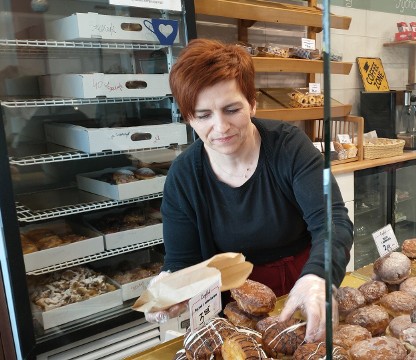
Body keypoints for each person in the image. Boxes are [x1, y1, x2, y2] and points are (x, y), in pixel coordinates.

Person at [144, 39, 354, 343]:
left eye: (232, 109)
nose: (220, 127)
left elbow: (332, 220)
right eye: (203, 115)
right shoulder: (184, 177)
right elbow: (182, 261)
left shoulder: (289, 147)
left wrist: (318, 276)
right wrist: (171, 286)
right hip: (235, 307)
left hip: (302, 289)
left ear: (252, 103)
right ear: (188, 118)